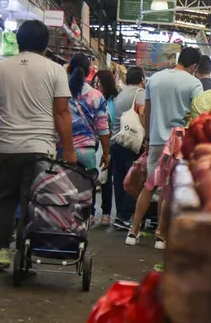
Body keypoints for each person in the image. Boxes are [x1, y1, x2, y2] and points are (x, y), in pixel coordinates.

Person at [0, 19, 76, 268]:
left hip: (6, 148)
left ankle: (2, 250)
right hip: (41, 149)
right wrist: (69, 150)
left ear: (18, 41)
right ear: (46, 45)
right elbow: (61, 113)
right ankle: (26, 252)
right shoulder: (55, 70)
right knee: (33, 201)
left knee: (4, 199)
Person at [125, 47, 203, 249]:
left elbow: (147, 112)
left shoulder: (155, 79)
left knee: (149, 187)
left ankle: (133, 233)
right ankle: (160, 236)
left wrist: (148, 137)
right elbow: (197, 117)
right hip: (178, 141)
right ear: (194, 66)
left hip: (157, 140)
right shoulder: (194, 84)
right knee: (169, 189)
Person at [109, 65, 146, 230]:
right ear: (142, 79)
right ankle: (125, 216)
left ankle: (120, 217)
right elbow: (144, 114)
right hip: (131, 143)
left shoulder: (121, 93)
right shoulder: (140, 93)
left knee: (119, 179)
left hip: (117, 141)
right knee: (134, 180)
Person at [59, 54, 110, 173]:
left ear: (68, 70)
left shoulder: (59, 92)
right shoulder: (96, 96)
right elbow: (103, 129)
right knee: (85, 190)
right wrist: (106, 154)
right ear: (88, 73)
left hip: (62, 151)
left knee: (61, 190)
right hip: (86, 152)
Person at [94, 70, 119, 225]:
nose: (96, 85)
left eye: (99, 83)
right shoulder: (92, 98)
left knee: (106, 179)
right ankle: (89, 212)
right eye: (95, 82)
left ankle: (106, 213)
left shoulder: (115, 101)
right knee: (90, 178)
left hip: (110, 143)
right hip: (93, 143)